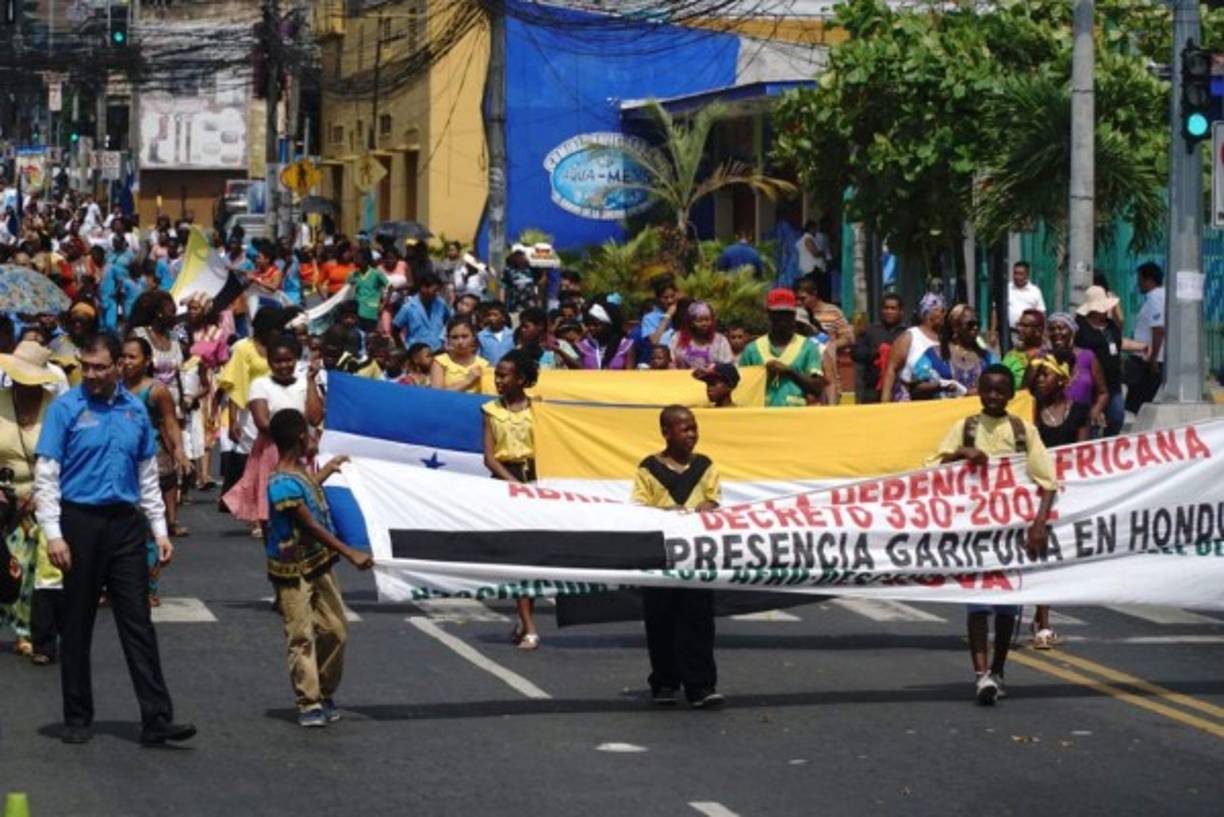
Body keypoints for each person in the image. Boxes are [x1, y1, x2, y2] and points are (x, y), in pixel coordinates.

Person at [34, 333, 196, 745]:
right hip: (79, 522)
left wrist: (159, 530)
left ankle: (157, 719)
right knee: (77, 622)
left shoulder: (134, 412)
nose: (91, 375)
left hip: (125, 525)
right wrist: (53, 534)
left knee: (138, 621)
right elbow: (47, 475)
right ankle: (77, 715)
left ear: (117, 368)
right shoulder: (66, 408)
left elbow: (146, 477)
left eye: (99, 367)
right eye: (85, 367)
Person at [928, 364, 1058, 705]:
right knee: (977, 606)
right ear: (979, 391)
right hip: (974, 534)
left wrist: (1039, 524)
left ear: (1012, 394)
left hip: (1011, 535)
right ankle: (980, 675)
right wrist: (960, 454)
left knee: (1005, 610)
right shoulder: (965, 427)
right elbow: (932, 469)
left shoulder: (1022, 430)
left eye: (1001, 391)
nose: (994, 396)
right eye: (988, 390)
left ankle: (998, 669)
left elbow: (1047, 482)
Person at [265, 408, 373, 727]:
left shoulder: (297, 473)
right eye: (311, 434)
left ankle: (324, 691)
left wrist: (329, 467)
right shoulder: (280, 483)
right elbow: (309, 524)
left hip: (319, 563)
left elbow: (309, 490)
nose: (315, 438)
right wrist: (349, 552)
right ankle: (309, 701)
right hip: (292, 570)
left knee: (335, 630)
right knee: (300, 634)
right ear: (301, 438)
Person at [632, 405, 724, 709]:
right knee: (661, 619)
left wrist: (708, 507)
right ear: (666, 433)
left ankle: (701, 685)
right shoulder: (648, 468)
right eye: (685, 429)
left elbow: (713, 497)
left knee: (698, 620)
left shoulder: (705, 465)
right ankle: (665, 681)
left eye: (694, 428)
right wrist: (667, 513)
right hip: (661, 555)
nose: (692, 435)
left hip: (696, 555)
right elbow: (639, 506)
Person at [224, 335, 324, 539]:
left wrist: (311, 381)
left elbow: (314, 418)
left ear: (296, 360)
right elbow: (262, 422)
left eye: (288, 360)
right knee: (270, 493)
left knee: (302, 492)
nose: (283, 365)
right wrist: (296, 437)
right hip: (272, 448)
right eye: (278, 361)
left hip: (302, 448)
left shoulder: (305, 384)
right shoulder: (260, 384)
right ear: (269, 362)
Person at [0, 342, 61, 663]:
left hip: (44, 498)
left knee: (34, 570)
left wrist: (42, 494)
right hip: (4, 498)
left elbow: (68, 457)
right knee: (9, 565)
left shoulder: (56, 409)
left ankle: (29, 632)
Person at [120, 337, 189, 606]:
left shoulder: (157, 391)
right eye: (123, 356)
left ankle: (148, 586)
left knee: (149, 524)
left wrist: (180, 451)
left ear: (146, 361)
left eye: (132, 357)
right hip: (121, 461)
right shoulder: (112, 388)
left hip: (152, 459)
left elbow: (171, 423)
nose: (126, 362)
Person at [1029, 351, 1089, 651]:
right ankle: (1042, 623)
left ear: (1061, 380)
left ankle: (1043, 619)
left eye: (1046, 374)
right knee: (1039, 557)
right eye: (1037, 375)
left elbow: (1081, 452)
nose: (1040, 379)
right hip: (1035, 489)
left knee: (1051, 558)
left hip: (1064, 490)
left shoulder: (1078, 411)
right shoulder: (1030, 409)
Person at [481, 350, 541, 650]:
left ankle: (524, 617)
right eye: (497, 375)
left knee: (535, 553)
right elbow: (489, 457)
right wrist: (514, 483)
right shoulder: (490, 410)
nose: (498, 381)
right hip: (507, 482)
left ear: (521, 379)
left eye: (504, 375)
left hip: (538, 481)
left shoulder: (540, 410)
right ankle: (528, 622)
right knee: (518, 555)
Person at [128, 291, 190, 537]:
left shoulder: (175, 338)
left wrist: (184, 399)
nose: (173, 314)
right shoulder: (140, 335)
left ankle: (171, 520)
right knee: (149, 460)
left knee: (171, 464)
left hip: (171, 400)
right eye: (169, 309)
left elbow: (179, 372)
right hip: (146, 398)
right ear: (156, 311)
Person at [737, 288, 824, 407]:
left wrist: (789, 371)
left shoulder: (808, 347)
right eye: (777, 314)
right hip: (761, 417)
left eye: (787, 314)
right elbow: (741, 389)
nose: (782, 319)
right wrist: (763, 375)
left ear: (794, 315)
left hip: (796, 417)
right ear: (768, 314)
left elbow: (817, 388)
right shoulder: (752, 350)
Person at [911, 304, 995, 399]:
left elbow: (1001, 381)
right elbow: (916, 388)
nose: (975, 327)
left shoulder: (986, 357)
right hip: (946, 412)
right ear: (955, 327)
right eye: (970, 324)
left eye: (978, 324)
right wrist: (942, 385)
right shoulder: (933, 354)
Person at [1074, 287, 1127, 436]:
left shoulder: (1111, 326)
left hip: (1113, 382)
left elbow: (1120, 338)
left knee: (1117, 417)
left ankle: (1109, 444)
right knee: (1091, 422)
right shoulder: (1081, 327)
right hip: (1092, 383)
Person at [1047, 312, 1108, 427]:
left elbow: (1103, 392)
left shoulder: (1088, 357)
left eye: (1061, 328)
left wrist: (1094, 412)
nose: (1056, 333)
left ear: (1072, 331)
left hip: (1082, 423)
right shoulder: (1043, 357)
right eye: (1052, 329)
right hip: (1052, 423)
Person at [881, 292, 944, 402]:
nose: (944, 315)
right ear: (928, 313)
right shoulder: (910, 336)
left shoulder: (943, 339)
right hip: (910, 401)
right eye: (941, 310)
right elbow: (891, 369)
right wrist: (884, 402)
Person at [851, 292, 906, 404]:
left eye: (893, 308)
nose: (889, 312)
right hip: (872, 391)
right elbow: (856, 354)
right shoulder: (869, 331)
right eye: (886, 308)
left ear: (901, 312)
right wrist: (876, 352)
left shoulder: (907, 333)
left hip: (900, 390)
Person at [1126, 262, 1165, 414]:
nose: (1138, 284)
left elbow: (1158, 329)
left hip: (1147, 360)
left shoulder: (1155, 298)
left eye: (1140, 280)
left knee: (1134, 406)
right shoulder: (1162, 296)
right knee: (1138, 404)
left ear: (1149, 280)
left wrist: (1153, 358)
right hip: (1149, 358)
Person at [393, 271, 451, 350]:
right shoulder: (408, 307)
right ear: (423, 288)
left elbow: (449, 321)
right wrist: (402, 348)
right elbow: (395, 328)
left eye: (438, 290)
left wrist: (443, 338)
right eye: (434, 290)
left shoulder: (441, 304)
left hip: (438, 349)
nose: (436, 293)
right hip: (416, 351)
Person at [670, 301, 733, 370]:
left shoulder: (720, 340)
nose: (704, 324)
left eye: (707, 320)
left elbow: (728, 365)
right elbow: (671, 361)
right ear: (690, 322)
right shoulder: (678, 338)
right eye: (699, 320)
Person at [431, 317, 489, 393]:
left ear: (473, 337)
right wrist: (467, 381)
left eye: (465, 336)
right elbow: (436, 396)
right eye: (454, 337)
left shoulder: (483, 365)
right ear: (448, 339)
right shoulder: (440, 362)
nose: (460, 342)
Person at [578, 301, 636, 370]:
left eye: (596, 325)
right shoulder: (584, 346)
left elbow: (630, 376)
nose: (591, 328)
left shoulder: (626, 346)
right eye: (588, 324)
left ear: (608, 325)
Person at [1001, 309, 1047, 391]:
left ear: (1039, 330)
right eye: (1019, 325)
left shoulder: (1047, 356)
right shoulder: (1012, 355)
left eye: (1025, 326)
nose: (1019, 329)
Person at [346, 248, 389, 333]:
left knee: (370, 335)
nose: (355, 260)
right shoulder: (352, 274)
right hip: (357, 311)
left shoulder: (376, 274)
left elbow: (390, 287)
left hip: (371, 312)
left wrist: (383, 304)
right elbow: (347, 292)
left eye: (358, 258)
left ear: (365, 260)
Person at [1007, 261, 1047, 339]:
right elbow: (995, 310)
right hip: (1008, 332)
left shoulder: (1035, 291)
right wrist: (993, 332)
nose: (1017, 277)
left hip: (1029, 334)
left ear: (1027, 275)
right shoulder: (1006, 289)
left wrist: (1043, 332)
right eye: (1015, 273)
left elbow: (1041, 313)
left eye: (1021, 274)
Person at [640, 276, 679, 350]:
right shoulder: (649, 318)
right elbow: (654, 341)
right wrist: (667, 316)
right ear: (658, 298)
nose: (670, 301)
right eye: (665, 297)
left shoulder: (683, 311)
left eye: (672, 296)